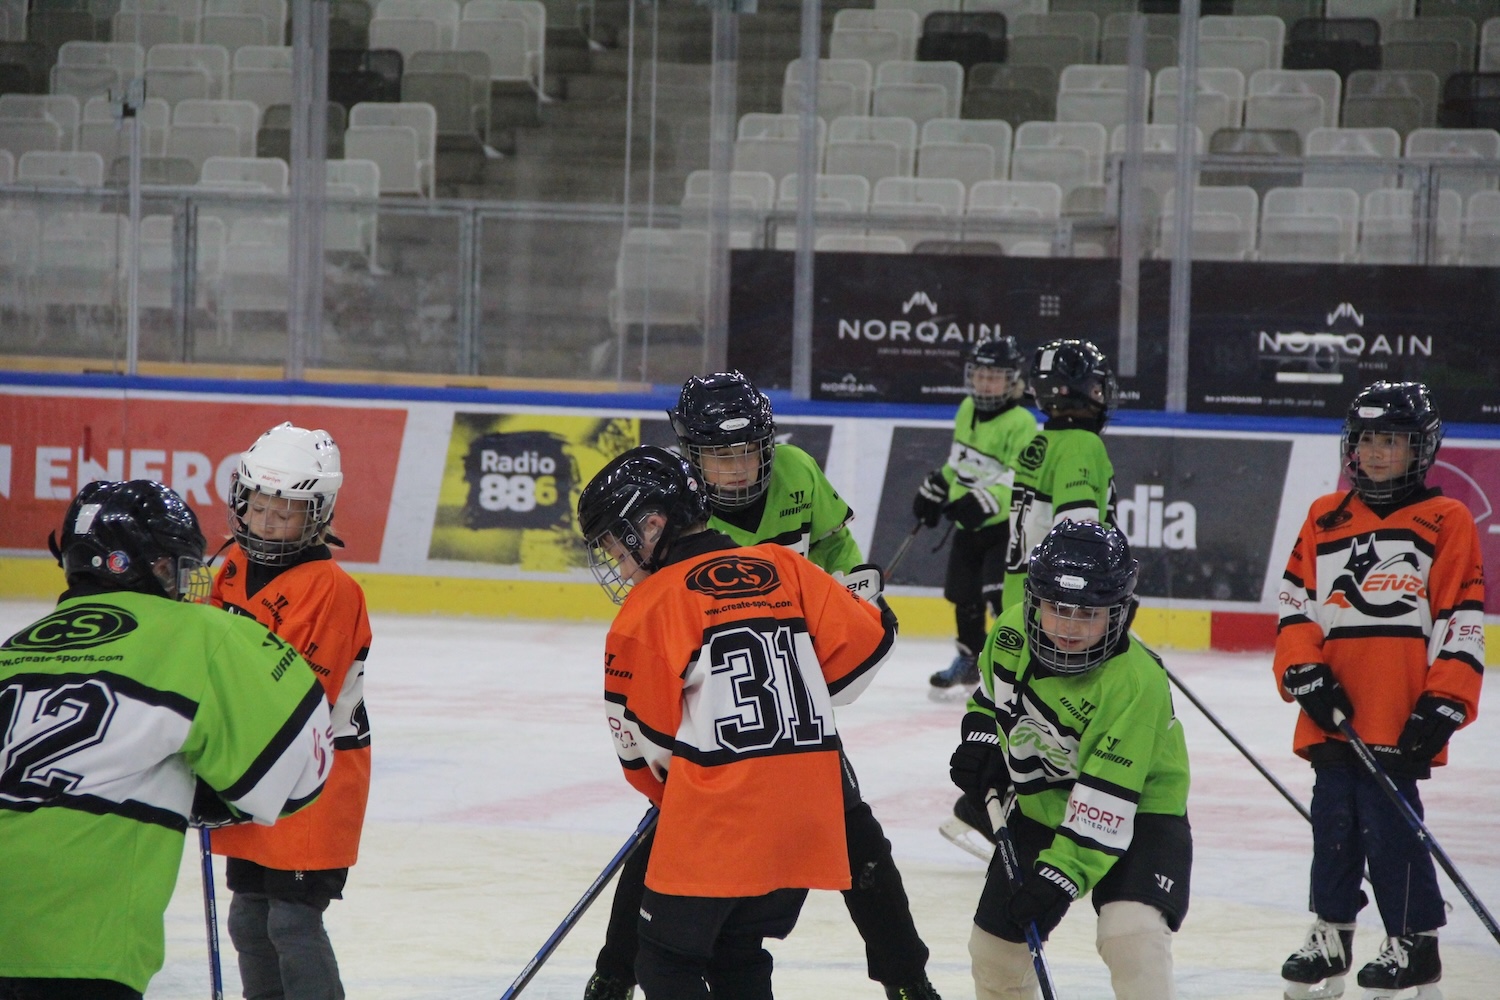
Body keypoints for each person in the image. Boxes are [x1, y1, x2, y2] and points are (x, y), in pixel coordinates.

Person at [580, 372, 940, 1000]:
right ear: (691, 464)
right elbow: (865, 640)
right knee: (726, 925)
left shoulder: (792, 478)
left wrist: (812, 643)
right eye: (719, 456)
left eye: (747, 452)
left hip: (751, 726)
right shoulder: (723, 535)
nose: (737, 469)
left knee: (855, 850)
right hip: (778, 716)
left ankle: (908, 981)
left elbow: (836, 548)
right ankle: (614, 969)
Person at [0, 480, 332, 1000]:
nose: (181, 579)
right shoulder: (200, 632)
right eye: (169, 564)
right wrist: (206, 794)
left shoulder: (11, 653)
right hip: (80, 948)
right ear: (134, 565)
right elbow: (303, 765)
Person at [1273, 381, 1483, 1000]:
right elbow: (1295, 606)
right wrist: (1304, 671)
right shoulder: (1325, 515)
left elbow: (1461, 617)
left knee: (1391, 828)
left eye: (1391, 440)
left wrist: (1446, 698)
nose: (1375, 452)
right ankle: (1332, 931)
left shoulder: (1446, 519)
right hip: (1334, 708)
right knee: (1333, 821)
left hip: (1400, 707)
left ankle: (1415, 940)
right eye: (1367, 439)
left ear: (1421, 448)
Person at [954, 519, 1191, 1000]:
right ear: (1035, 602)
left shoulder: (1136, 684)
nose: (1068, 627)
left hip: (1140, 812)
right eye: (1057, 608)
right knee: (996, 955)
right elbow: (989, 699)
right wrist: (982, 740)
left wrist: (1058, 878)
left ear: (1120, 613)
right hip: (1041, 804)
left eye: (1088, 613)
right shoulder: (1010, 632)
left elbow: (1106, 800)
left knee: (1132, 936)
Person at [210, 423, 373, 1000]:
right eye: (258, 507)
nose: (266, 522)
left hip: (314, 776)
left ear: (316, 514)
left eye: (285, 512)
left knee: (292, 922)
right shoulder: (229, 567)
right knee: (248, 918)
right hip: (250, 769)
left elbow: (299, 696)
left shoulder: (332, 589)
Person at [915, 335, 1039, 693]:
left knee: (1000, 599)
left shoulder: (1022, 422)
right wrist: (938, 485)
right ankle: (970, 660)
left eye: (994, 376)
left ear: (1012, 380)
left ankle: (1010, 665)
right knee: (963, 594)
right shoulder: (967, 408)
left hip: (1004, 528)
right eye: (980, 375)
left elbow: (1019, 476)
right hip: (968, 524)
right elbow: (960, 462)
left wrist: (986, 501)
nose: (984, 383)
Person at [1001, 339, 1119, 613]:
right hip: (1058, 609)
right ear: (1076, 391)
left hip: (1017, 598)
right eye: (1095, 387)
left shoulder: (1039, 443)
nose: (1101, 394)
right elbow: (1077, 535)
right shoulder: (1081, 445)